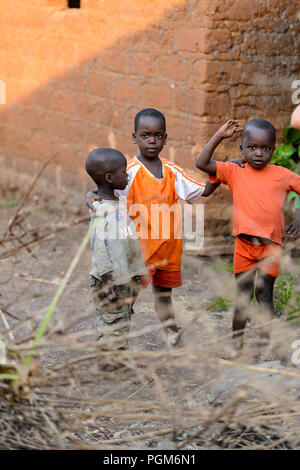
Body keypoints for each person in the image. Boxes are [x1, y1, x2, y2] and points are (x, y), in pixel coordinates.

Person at [87, 108, 223, 348]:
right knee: (126, 297)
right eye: (145, 135)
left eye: (158, 135)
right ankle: (114, 345)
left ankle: (172, 337)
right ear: (134, 138)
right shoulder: (128, 173)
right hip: (138, 252)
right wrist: (90, 196)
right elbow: (103, 192)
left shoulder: (172, 171)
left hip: (168, 250)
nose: (152, 140)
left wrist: (223, 172)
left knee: (163, 296)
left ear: (165, 138)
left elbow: (202, 190)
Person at [196, 119, 300, 359]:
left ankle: (266, 347)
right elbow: (201, 163)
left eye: (266, 148)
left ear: (274, 149)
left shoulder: (282, 175)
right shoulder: (234, 170)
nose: (259, 153)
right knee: (243, 297)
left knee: (265, 297)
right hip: (243, 247)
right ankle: (236, 346)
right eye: (252, 147)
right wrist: (219, 135)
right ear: (242, 149)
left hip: (270, 249)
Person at [86, 148, 147, 368]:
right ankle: (108, 361)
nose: (128, 176)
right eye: (124, 172)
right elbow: (99, 248)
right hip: (110, 278)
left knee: (122, 316)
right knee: (112, 318)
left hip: (124, 275)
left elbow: (125, 241)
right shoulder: (101, 210)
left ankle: (116, 357)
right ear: (110, 178)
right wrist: (108, 278)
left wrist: (137, 271)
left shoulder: (115, 202)